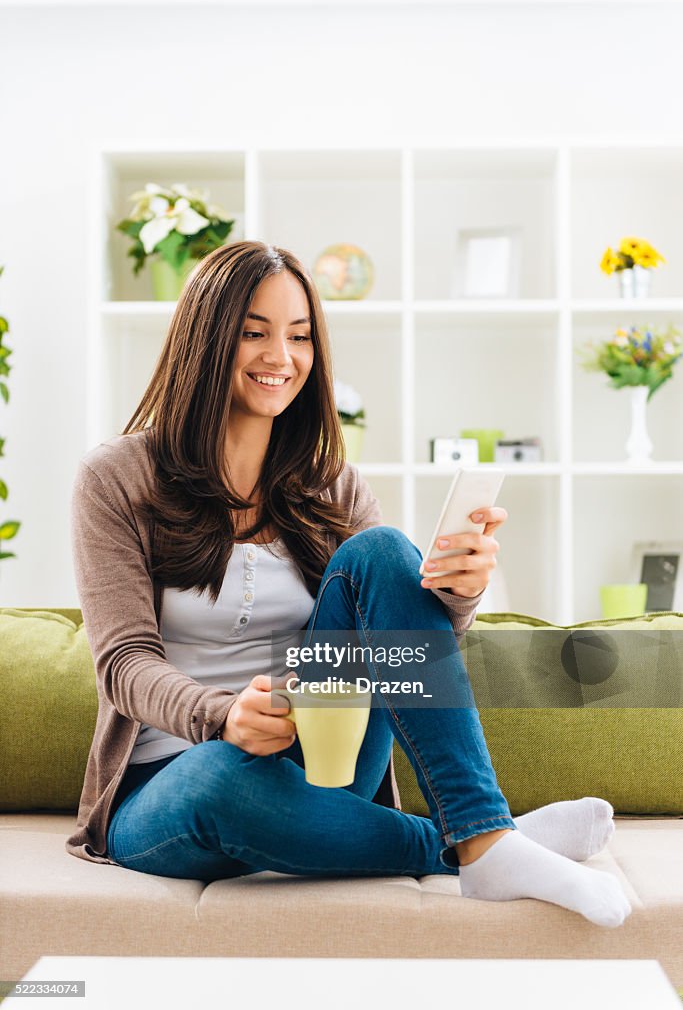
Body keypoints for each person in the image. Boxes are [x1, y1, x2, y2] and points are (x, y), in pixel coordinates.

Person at [67, 240, 631, 929]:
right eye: (254, 332)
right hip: (175, 784)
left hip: (325, 761)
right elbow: (123, 664)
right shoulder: (117, 478)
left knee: (385, 551)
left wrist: (457, 593)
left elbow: (403, 647)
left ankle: (482, 838)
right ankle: (483, 840)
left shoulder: (331, 482)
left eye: (299, 336)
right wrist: (221, 716)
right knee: (222, 777)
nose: (281, 356)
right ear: (205, 339)